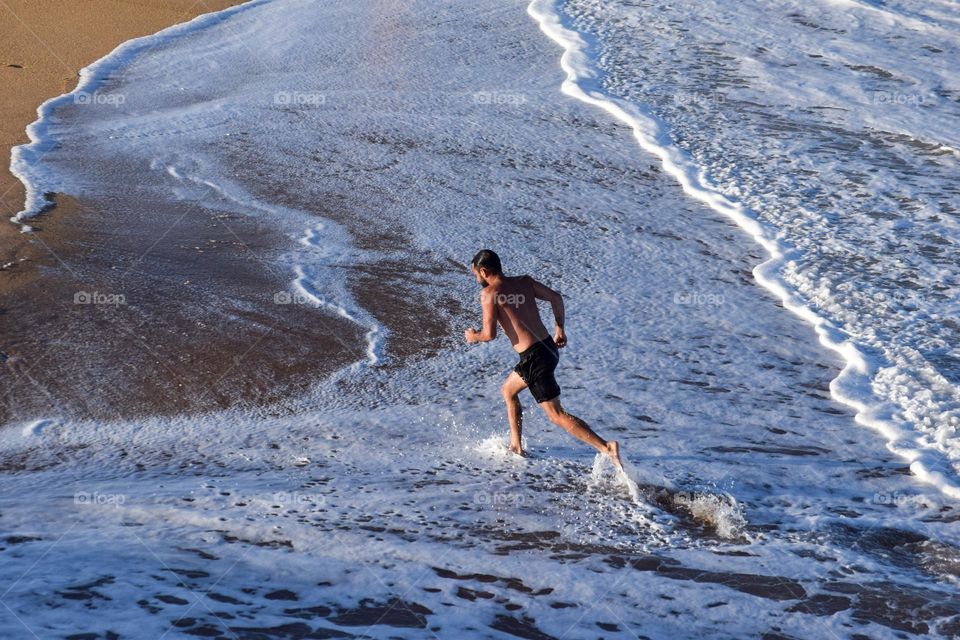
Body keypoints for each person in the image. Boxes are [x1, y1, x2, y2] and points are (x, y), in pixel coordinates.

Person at [464, 249, 623, 471]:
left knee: (556, 414)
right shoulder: (525, 282)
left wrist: (473, 337)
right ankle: (517, 446)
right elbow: (556, 297)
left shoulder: (490, 294)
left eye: (476, 275)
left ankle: (606, 447)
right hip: (547, 348)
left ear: (483, 271)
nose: (476, 280)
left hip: (534, 358)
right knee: (508, 391)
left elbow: (489, 334)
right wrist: (560, 329)